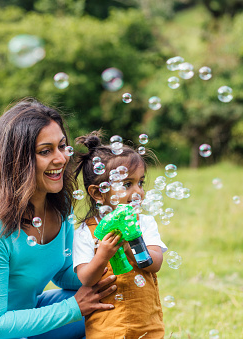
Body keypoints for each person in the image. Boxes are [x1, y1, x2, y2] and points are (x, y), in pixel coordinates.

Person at [0, 98, 117, 339]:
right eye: (45, 151)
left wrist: (106, 260)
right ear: (17, 161)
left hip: (24, 319)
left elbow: (64, 273)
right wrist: (73, 309)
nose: (61, 158)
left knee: (109, 297)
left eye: (62, 146)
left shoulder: (60, 208)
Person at [72, 131, 167, 339]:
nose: (138, 192)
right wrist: (102, 255)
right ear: (98, 193)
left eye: (140, 182)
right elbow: (86, 278)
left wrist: (132, 244)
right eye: (127, 184)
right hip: (106, 326)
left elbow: (156, 262)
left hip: (147, 323)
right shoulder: (86, 231)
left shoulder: (144, 223)